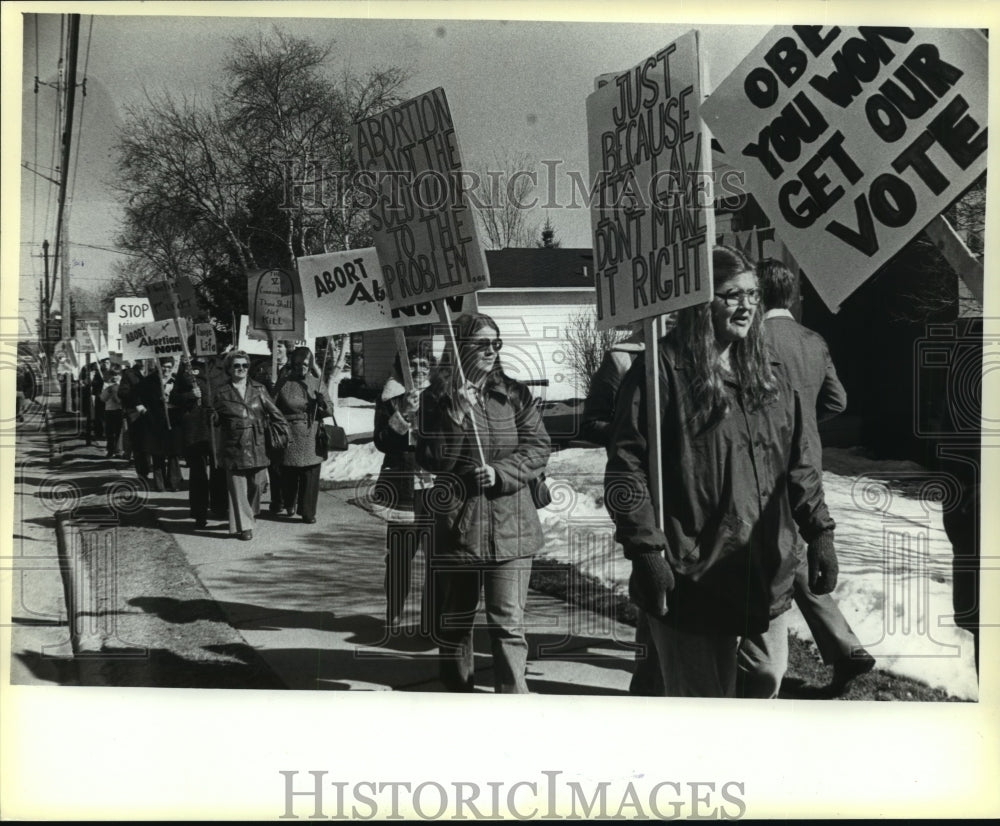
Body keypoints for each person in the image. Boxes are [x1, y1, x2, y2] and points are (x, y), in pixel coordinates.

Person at [605, 245, 837, 698]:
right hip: (692, 569)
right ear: (701, 302)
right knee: (704, 708)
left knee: (766, 677)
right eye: (731, 294)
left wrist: (820, 532)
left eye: (752, 294)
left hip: (761, 567)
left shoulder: (770, 371)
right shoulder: (662, 371)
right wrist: (647, 551)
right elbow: (625, 470)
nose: (747, 305)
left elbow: (801, 461)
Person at [758, 258, 876, 694]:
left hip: (762, 466)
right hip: (807, 463)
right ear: (792, 296)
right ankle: (845, 649)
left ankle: (759, 667)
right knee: (797, 553)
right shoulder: (812, 340)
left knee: (768, 556)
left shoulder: (751, 341)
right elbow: (838, 400)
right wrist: (805, 423)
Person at [416, 312, 551, 693]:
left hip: (513, 527)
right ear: (460, 349)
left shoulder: (513, 393)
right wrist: (455, 416)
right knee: (456, 624)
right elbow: (432, 459)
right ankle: (458, 699)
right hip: (461, 528)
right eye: (482, 344)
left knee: (509, 624)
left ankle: (513, 701)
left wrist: (501, 473)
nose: (492, 351)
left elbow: (538, 446)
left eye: (497, 343)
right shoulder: (436, 397)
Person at [583, 323, 662, 696]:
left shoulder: (706, 349)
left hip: (698, 489)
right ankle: (648, 690)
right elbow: (593, 421)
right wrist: (635, 429)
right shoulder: (623, 358)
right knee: (656, 588)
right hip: (645, 490)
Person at [373, 344, 435, 631]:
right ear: (402, 369)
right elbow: (382, 441)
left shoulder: (441, 398)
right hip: (404, 489)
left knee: (437, 560)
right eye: (413, 364)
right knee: (399, 557)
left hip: (437, 489)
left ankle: (431, 620)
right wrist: (404, 414)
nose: (419, 370)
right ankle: (393, 614)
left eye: (424, 364)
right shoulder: (390, 399)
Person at [213, 349, 286, 540]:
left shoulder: (259, 389)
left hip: (257, 443)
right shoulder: (221, 392)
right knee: (238, 489)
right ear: (229, 368)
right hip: (233, 445)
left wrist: (281, 433)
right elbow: (214, 419)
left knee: (258, 484)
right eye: (236, 365)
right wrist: (209, 414)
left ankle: (249, 514)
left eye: (244, 365)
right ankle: (245, 526)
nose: (241, 369)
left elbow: (276, 414)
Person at [273, 347, 330, 524]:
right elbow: (272, 408)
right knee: (289, 472)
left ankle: (308, 512)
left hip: (312, 433)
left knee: (311, 474)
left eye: (305, 364)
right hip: (290, 433)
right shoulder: (283, 383)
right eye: (297, 364)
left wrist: (322, 405)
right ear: (292, 364)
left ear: (311, 364)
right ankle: (289, 502)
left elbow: (330, 409)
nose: (301, 367)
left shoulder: (317, 383)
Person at [171, 355, 227, 528]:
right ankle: (199, 512)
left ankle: (219, 507)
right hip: (195, 425)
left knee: (219, 469)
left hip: (217, 425)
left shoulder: (222, 367)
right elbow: (174, 398)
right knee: (198, 472)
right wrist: (189, 395)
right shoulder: (187, 368)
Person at [137, 356, 184, 492]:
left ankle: (174, 483)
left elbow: (183, 398)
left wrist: (172, 398)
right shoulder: (149, 381)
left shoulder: (176, 381)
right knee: (158, 453)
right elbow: (138, 397)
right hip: (155, 421)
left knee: (173, 452)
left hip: (173, 420)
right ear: (159, 366)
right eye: (164, 366)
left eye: (169, 367)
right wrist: (142, 409)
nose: (166, 369)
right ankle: (160, 484)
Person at [255, 340, 291, 516]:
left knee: (290, 464)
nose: (277, 349)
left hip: (290, 420)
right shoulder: (262, 368)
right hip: (271, 422)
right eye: (274, 345)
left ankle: (291, 499)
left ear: (287, 348)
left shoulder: (294, 367)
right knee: (275, 464)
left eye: (281, 345)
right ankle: (277, 500)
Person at [119, 359, 151, 480]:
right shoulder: (129, 373)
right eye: (141, 358)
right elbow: (122, 393)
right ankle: (143, 471)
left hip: (154, 411)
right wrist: (137, 403)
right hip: (137, 413)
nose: (144, 360)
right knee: (139, 442)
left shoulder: (155, 371)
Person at [100, 366, 125, 458]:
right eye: (113, 375)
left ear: (120, 375)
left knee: (119, 431)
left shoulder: (123, 384)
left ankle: (119, 451)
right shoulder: (107, 385)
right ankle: (110, 450)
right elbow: (102, 398)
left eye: (117, 375)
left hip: (120, 410)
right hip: (109, 410)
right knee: (109, 431)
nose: (115, 377)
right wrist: (108, 391)